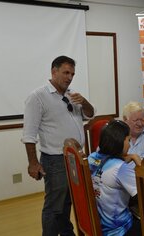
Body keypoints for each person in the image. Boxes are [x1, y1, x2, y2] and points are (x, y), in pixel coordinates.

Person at [21, 56, 95, 236]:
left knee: (68, 202)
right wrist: (33, 163)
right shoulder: (37, 97)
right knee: (54, 207)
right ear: (54, 72)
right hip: (55, 161)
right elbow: (29, 134)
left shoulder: (72, 94)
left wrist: (83, 101)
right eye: (65, 73)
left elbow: (90, 115)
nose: (69, 77)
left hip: (75, 159)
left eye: (72, 74)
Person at [88, 120, 142, 236]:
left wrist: (125, 158)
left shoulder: (92, 159)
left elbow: (104, 162)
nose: (130, 144)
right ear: (119, 142)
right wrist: (141, 166)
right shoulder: (121, 168)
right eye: (128, 140)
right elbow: (143, 196)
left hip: (99, 225)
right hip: (119, 229)